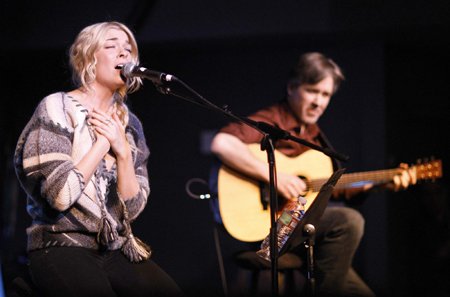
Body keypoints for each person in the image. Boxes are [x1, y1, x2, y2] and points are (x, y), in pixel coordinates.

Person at [209, 52, 416, 296]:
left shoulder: (315, 137)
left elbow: (332, 192)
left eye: (325, 94)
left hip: (302, 232)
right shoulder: (272, 120)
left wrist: (380, 185)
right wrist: (274, 177)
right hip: (275, 229)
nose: (319, 102)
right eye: (312, 91)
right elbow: (221, 143)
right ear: (292, 87)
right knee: (349, 221)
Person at [14, 21, 185, 297]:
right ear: (87, 57)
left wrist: (124, 153)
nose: (123, 53)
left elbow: (133, 208)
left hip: (113, 247)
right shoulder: (57, 107)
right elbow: (59, 195)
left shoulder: (131, 125)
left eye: (128, 49)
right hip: (62, 243)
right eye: (111, 46)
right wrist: (103, 142)